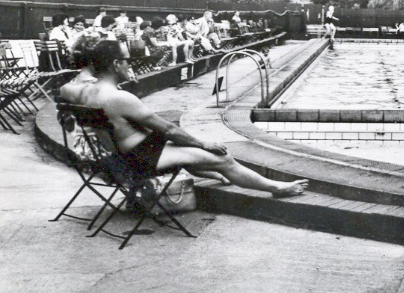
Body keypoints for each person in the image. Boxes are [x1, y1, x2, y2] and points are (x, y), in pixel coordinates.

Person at [59, 40, 308, 197]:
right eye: (127, 60)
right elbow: (168, 128)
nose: (130, 65)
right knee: (221, 156)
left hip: (117, 156)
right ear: (115, 64)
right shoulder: (119, 97)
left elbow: (65, 92)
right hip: (137, 160)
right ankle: (276, 188)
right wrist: (203, 144)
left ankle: (220, 173)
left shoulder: (85, 91)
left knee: (189, 151)